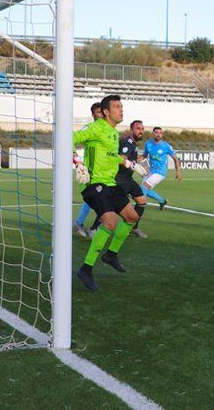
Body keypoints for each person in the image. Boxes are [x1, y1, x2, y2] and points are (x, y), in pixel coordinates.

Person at [72, 95, 145, 291]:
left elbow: (113, 156)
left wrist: (130, 163)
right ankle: (86, 269)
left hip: (111, 184)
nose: (121, 110)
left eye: (122, 106)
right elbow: (68, 138)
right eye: (117, 107)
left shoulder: (113, 134)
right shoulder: (96, 127)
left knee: (132, 217)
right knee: (111, 222)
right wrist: (77, 162)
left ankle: (111, 255)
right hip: (94, 183)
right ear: (106, 111)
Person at [73, 101, 104, 238]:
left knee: (94, 201)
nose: (101, 115)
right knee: (102, 201)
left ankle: (80, 223)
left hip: (106, 172)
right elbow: (69, 139)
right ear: (93, 115)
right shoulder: (90, 128)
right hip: (92, 172)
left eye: (102, 112)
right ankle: (94, 228)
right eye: (98, 112)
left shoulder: (109, 130)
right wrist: (77, 161)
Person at [117, 120, 150, 238]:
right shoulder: (127, 143)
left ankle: (134, 228)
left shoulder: (133, 144)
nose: (141, 131)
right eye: (138, 128)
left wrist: (139, 165)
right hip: (119, 180)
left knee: (142, 202)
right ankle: (95, 228)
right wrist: (134, 166)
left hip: (128, 179)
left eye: (142, 129)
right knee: (112, 209)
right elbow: (121, 158)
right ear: (131, 130)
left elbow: (131, 159)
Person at [141, 127, 182, 210]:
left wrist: (178, 172)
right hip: (150, 171)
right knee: (145, 189)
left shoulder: (166, 146)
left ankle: (140, 207)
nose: (158, 134)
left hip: (160, 172)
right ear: (153, 133)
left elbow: (175, 158)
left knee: (144, 187)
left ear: (162, 134)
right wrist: (133, 162)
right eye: (156, 132)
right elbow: (144, 156)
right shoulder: (148, 144)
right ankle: (162, 201)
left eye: (160, 133)